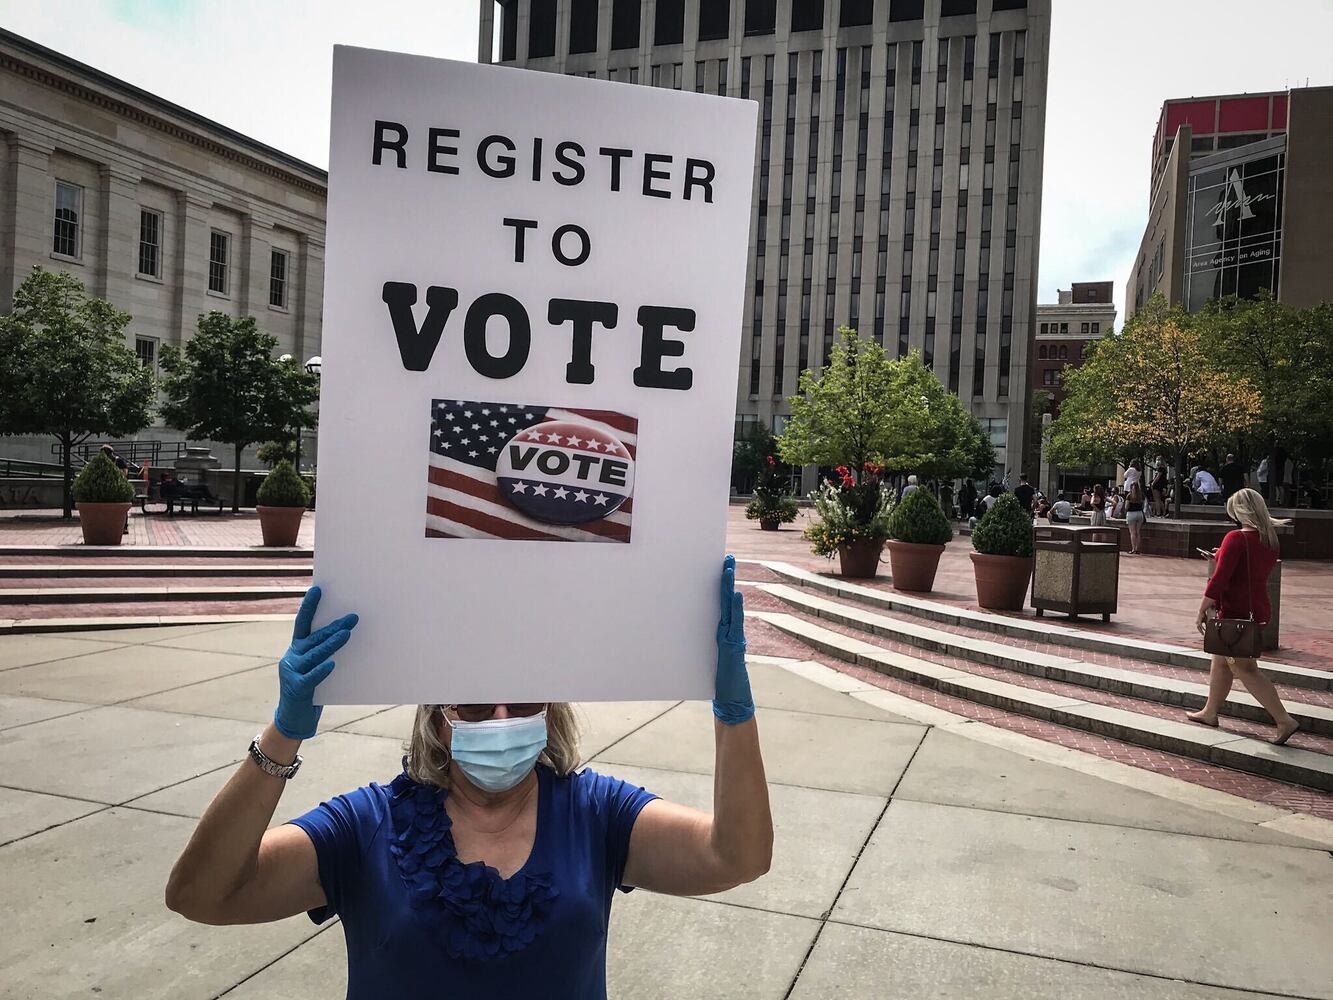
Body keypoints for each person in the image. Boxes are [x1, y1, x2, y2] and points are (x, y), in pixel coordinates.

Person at [165, 561, 773, 994]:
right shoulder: (365, 827)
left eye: (521, 702)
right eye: (477, 707)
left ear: (550, 709)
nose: (502, 720)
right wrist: (282, 735)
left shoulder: (598, 815)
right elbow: (202, 894)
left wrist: (733, 715)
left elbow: (736, 856)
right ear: (438, 718)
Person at [1187, 490, 1298, 745]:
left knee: (1245, 668)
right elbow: (1247, 568)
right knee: (1221, 661)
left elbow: (1221, 579)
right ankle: (1210, 711)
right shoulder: (1269, 540)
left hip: (1235, 611)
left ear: (1240, 511)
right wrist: (1220, 556)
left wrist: (1202, 607)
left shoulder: (1235, 538)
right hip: (1255, 607)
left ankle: (1284, 719)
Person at [1124, 481, 1147, 554]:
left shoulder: (1129, 496)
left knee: (1132, 533)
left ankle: (1133, 548)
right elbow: (1143, 506)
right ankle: (1137, 549)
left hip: (1131, 514)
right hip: (1140, 513)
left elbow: (1126, 507)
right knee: (1138, 532)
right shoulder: (1141, 495)